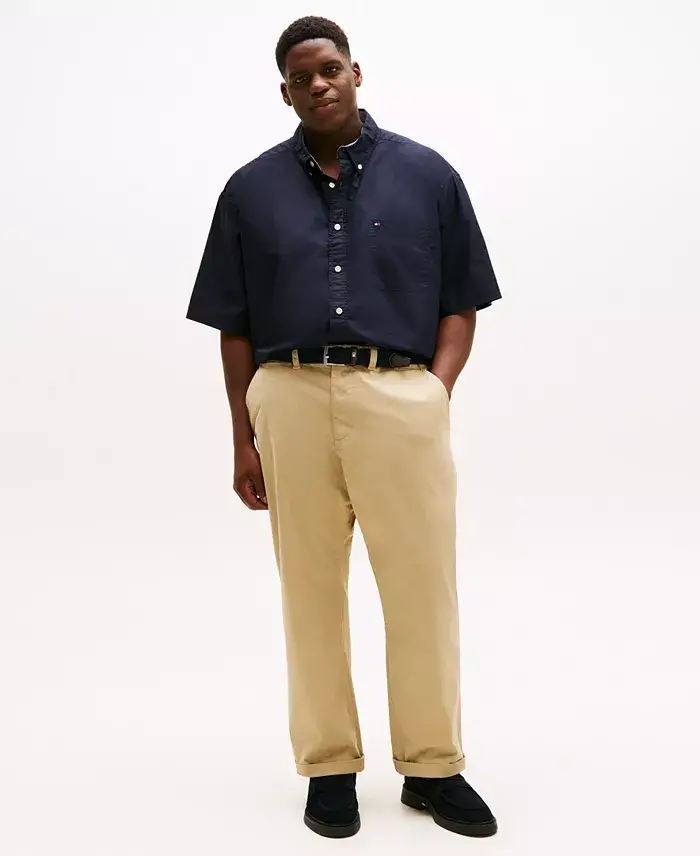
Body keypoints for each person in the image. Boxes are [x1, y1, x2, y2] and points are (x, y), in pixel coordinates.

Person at [186, 15, 502, 839]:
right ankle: (329, 768)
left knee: (422, 588)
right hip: (287, 397)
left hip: (399, 395)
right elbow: (234, 325)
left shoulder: (428, 176)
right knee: (310, 593)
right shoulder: (250, 190)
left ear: (355, 72)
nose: (317, 85)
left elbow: (462, 301)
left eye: (329, 69)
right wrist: (242, 435)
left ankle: (432, 768)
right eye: (300, 78)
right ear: (284, 92)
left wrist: (434, 393)